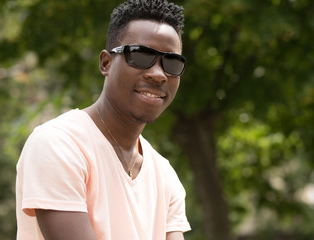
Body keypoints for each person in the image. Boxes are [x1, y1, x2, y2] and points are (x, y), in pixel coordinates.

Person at [16, 0, 191, 239]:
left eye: (171, 62)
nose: (158, 74)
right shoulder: (58, 145)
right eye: (140, 56)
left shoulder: (164, 174)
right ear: (106, 63)